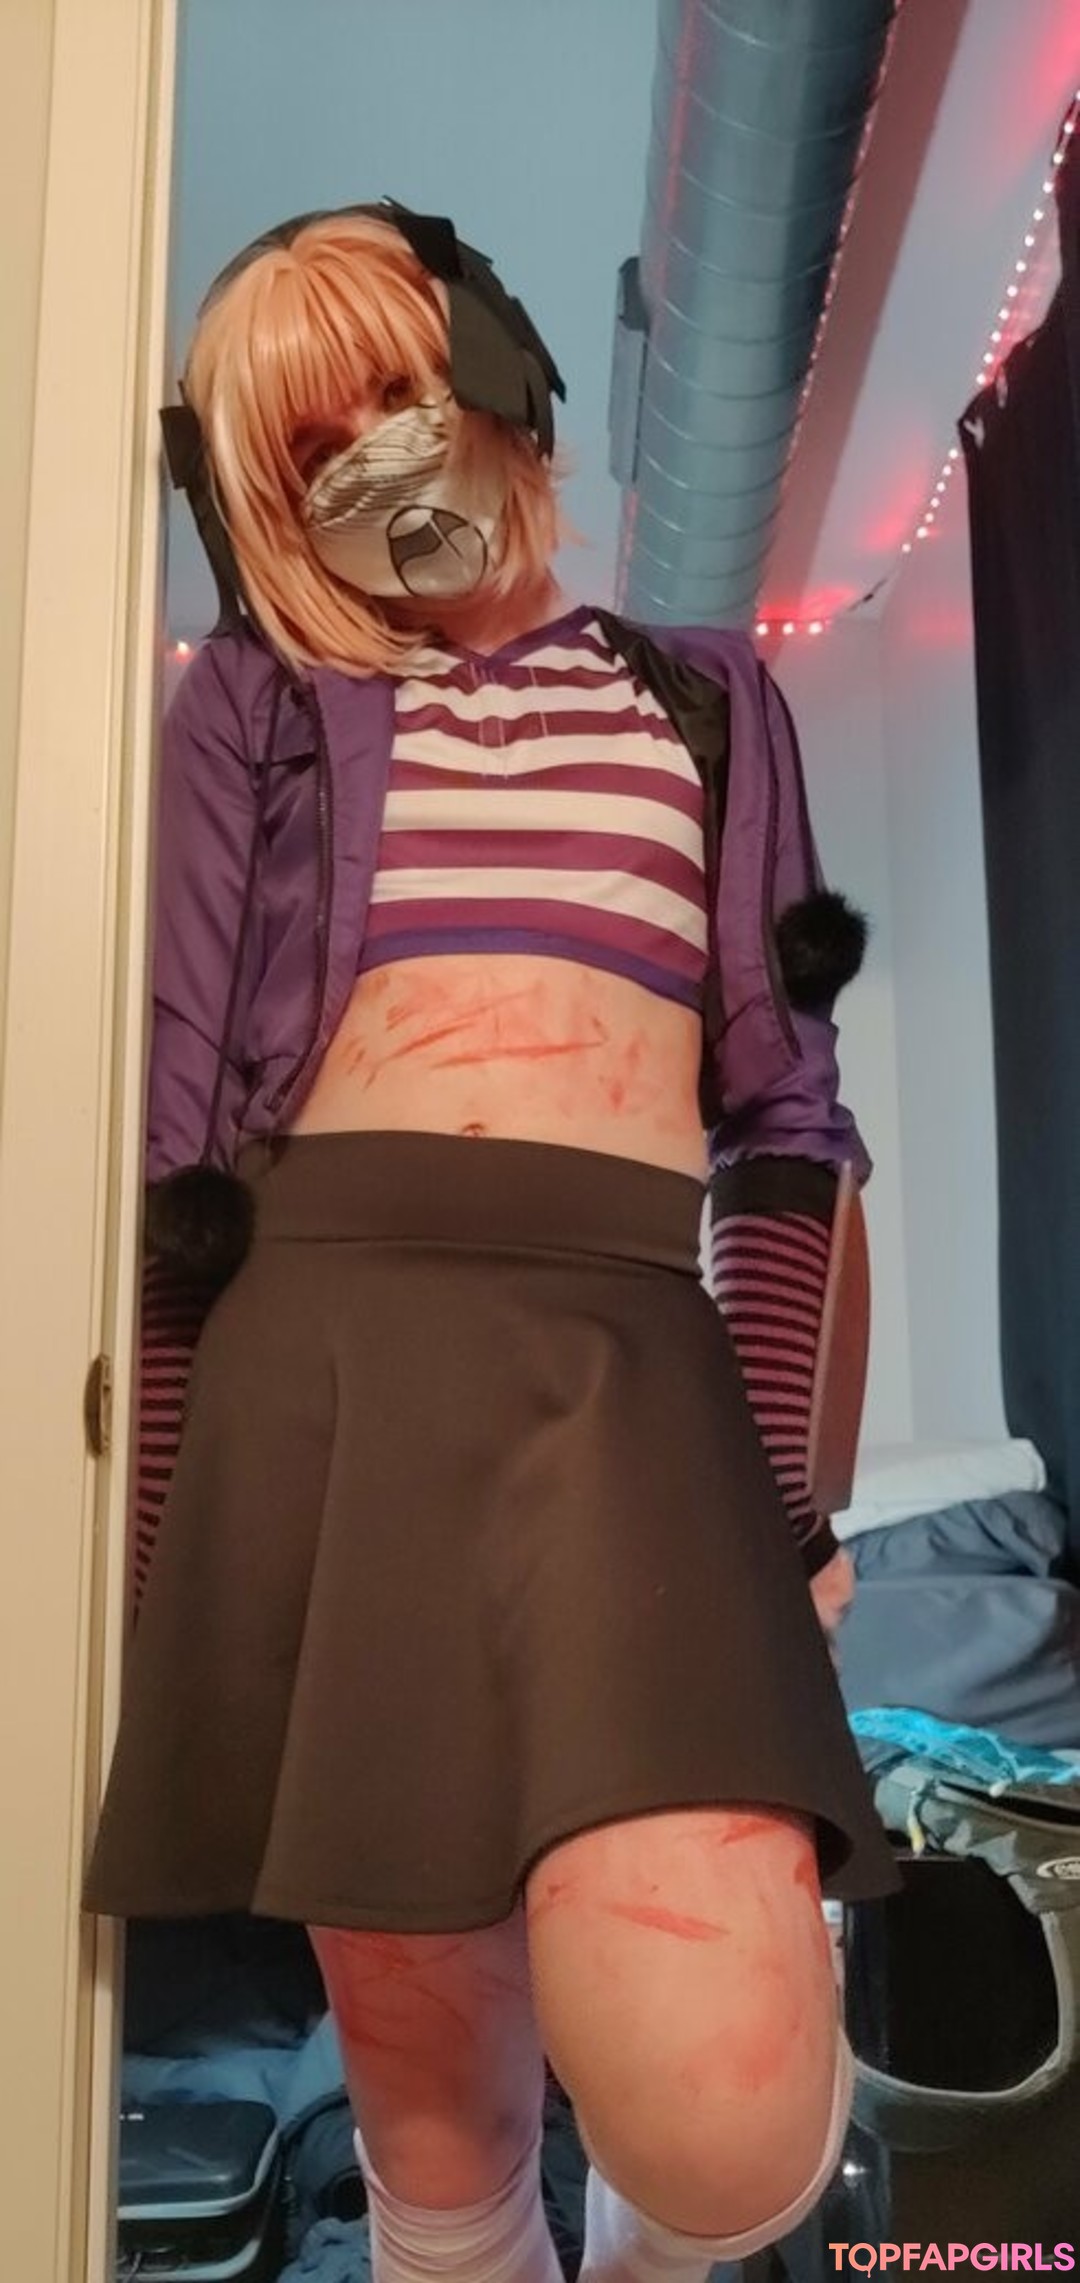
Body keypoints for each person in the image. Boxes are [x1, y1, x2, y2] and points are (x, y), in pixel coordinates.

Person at [85, 201, 896, 2282]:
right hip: (326, 1390)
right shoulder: (253, 709)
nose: (368, 454)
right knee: (435, 2119)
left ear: (495, 366)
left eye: (390, 385)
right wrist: (164, 1573)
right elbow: (182, 1157)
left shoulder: (706, 699)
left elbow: (786, 1127)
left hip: (623, 1378)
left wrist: (785, 1500)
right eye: (303, 443)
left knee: (729, 2125)